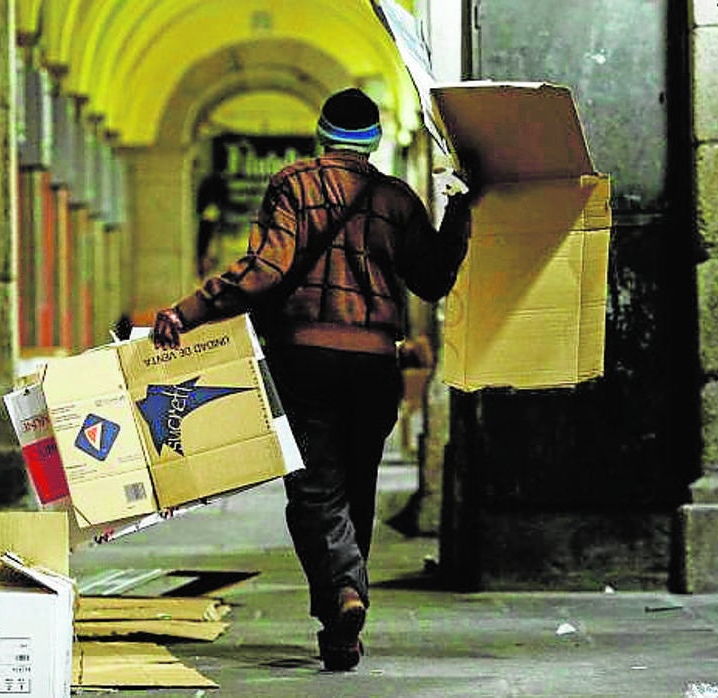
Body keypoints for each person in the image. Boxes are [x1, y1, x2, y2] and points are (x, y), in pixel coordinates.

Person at [151, 87, 475, 671]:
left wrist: (189, 311)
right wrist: (459, 213)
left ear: (322, 134)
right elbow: (431, 279)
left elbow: (265, 270)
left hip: (305, 359)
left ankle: (343, 597)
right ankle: (343, 631)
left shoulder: (293, 184)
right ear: (373, 143)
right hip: (376, 362)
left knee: (314, 493)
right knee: (357, 492)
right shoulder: (396, 198)